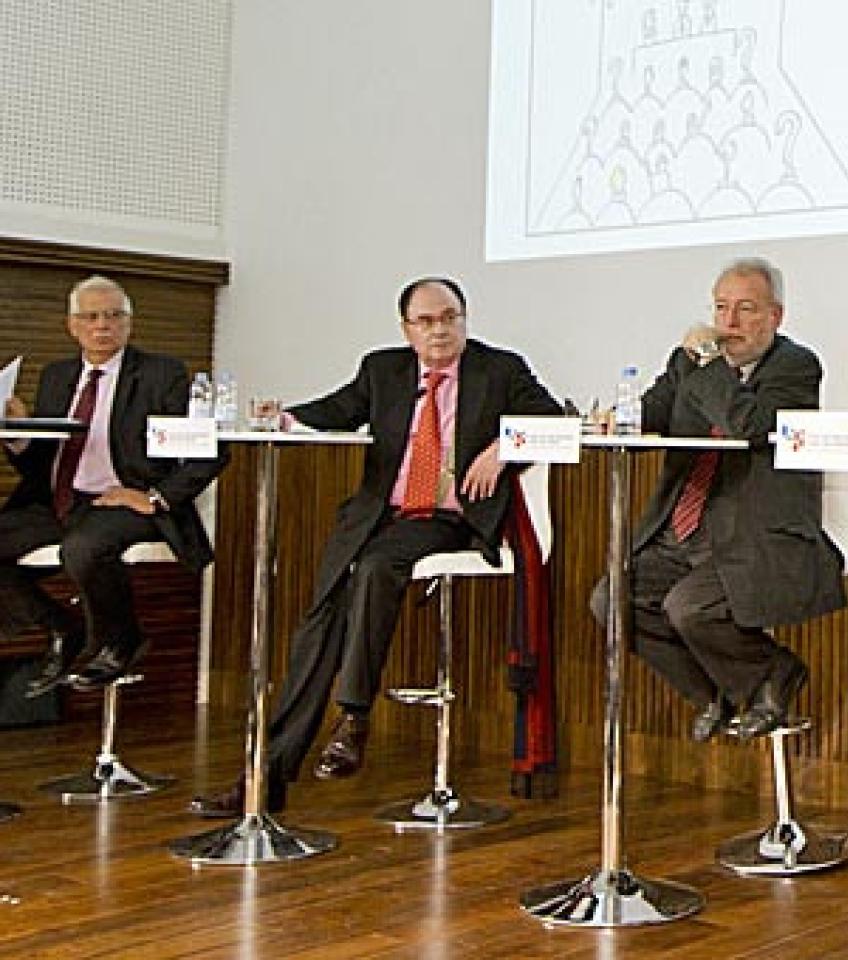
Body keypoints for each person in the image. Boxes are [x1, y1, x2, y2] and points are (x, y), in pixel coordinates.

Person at [189, 277, 561, 816]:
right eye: (426, 321)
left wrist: (503, 449)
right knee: (318, 626)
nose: (440, 330)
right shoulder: (382, 369)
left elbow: (556, 420)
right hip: (378, 517)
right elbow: (336, 409)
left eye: (450, 317)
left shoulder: (498, 369)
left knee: (376, 565)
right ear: (406, 328)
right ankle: (264, 777)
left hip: (448, 516)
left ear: (465, 318)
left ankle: (354, 714)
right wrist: (283, 418)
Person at [590, 257, 844, 742]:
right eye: (721, 307)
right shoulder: (688, 362)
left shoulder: (795, 366)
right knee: (611, 600)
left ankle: (775, 672)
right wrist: (620, 416)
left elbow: (748, 426)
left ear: (775, 317)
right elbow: (653, 412)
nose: (727, 323)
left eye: (745, 309)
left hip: (756, 531)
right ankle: (713, 693)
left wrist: (706, 366)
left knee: (688, 609)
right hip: (682, 526)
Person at [0, 275, 225, 695]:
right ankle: (63, 628)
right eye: (91, 317)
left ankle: (121, 640)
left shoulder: (163, 374)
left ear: (129, 324)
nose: (102, 325)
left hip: (125, 500)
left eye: (113, 316)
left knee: (83, 548)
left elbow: (209, 452)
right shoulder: (56, 376)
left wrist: (156, 497)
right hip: (60, 502)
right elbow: (40, 465)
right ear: (72, 325)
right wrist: (18, 433)